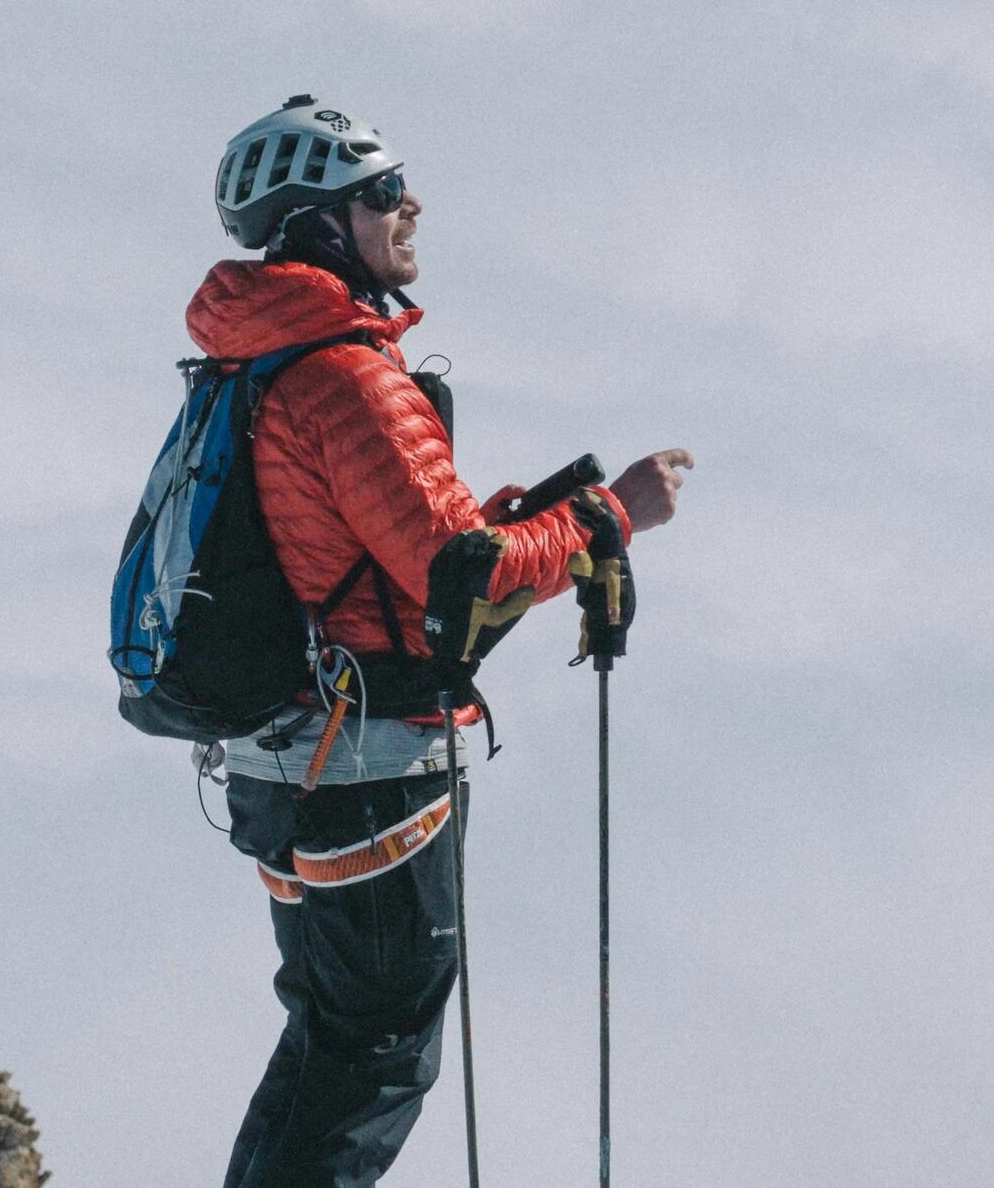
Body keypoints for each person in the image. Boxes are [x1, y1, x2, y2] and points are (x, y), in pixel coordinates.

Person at [187, 95, 692, 1185]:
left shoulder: (261, 358)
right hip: (368, 768)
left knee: (328, 1035)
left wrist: (529, 516)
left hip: (282, 757)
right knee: (375, 1054)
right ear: (323, 223)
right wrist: (611, 518)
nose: (408, 204)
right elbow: (462, 583)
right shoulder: (350, 375)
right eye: (380, 192)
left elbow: (390, 551)